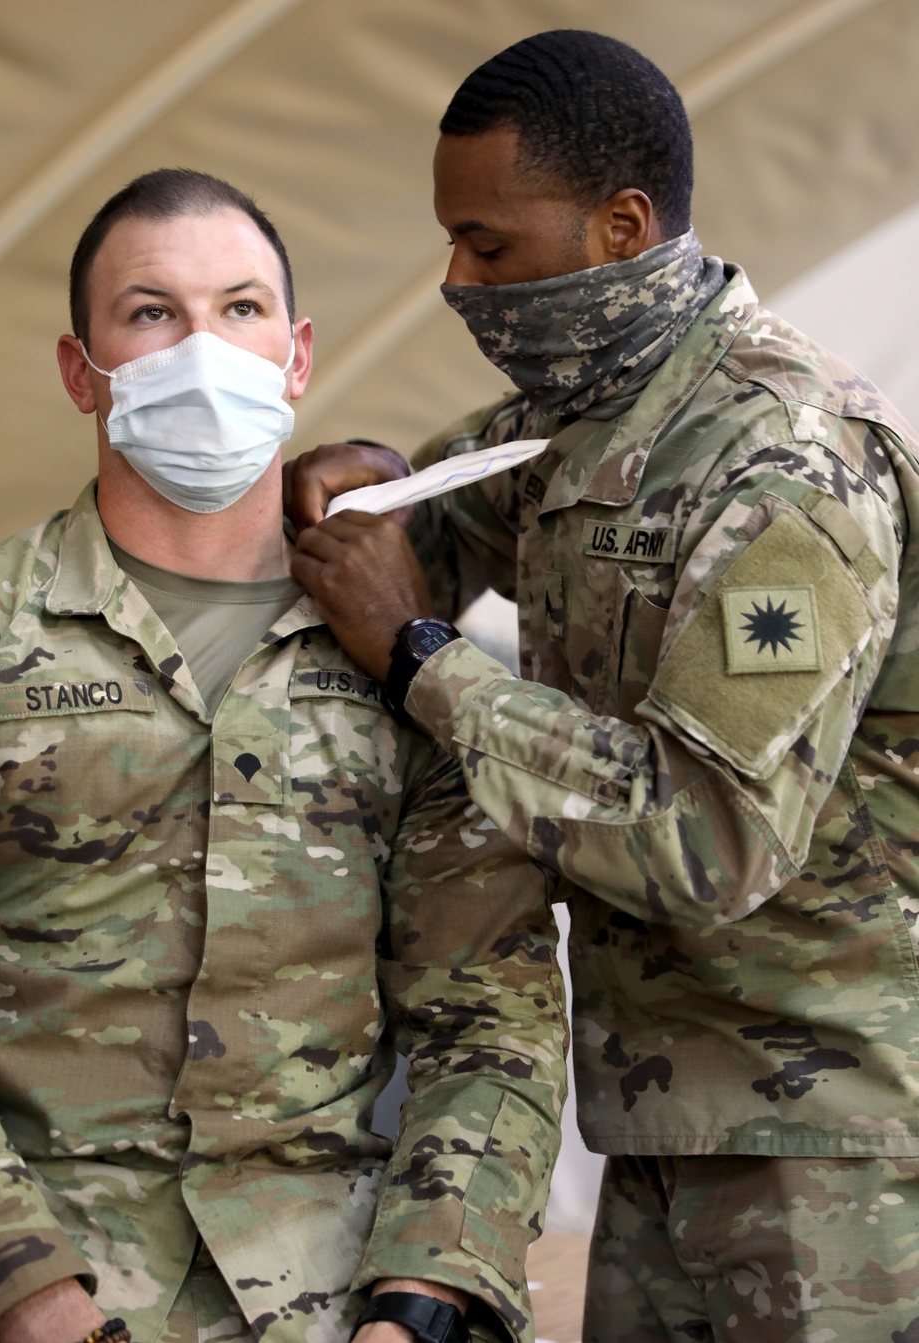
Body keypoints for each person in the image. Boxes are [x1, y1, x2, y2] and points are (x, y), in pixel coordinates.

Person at [286, 29, 919, 1343]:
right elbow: (412, 527)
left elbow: (709, 834)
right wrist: (352, 476)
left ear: (621, 225)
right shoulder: (587, 415)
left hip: (833, 1159)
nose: (458, 281)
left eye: (491, 245)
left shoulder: (788, 464)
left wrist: (423, 658)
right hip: (661, 1122)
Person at [0, 168, 567, 1343]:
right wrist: (28, 1298)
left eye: (240, 309)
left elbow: (491, 1016)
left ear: (298, 357)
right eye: (151, 313)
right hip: (38, 1292)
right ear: (84, 370)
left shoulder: (402, 652)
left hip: (335, 1293)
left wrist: (418, 1305)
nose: (202, 348)